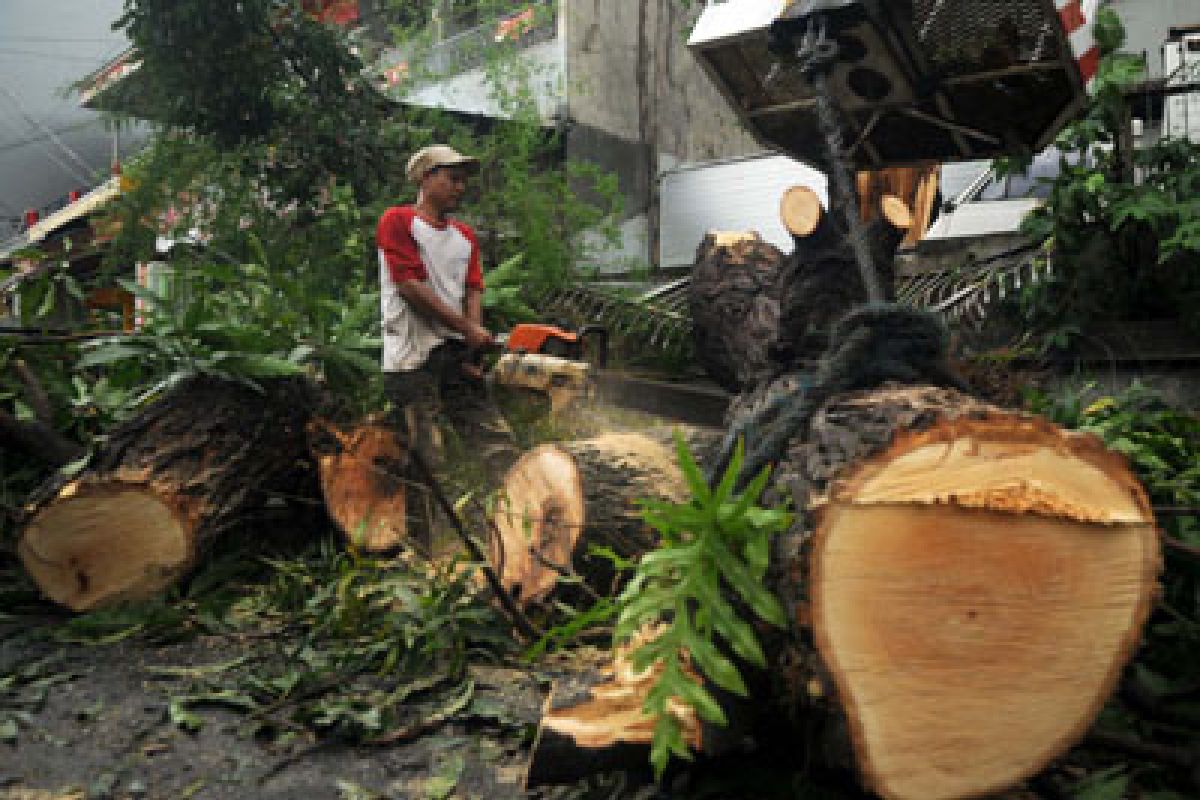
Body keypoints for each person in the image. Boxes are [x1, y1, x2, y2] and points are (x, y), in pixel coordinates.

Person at [376, 144, 520, 540]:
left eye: (463, 180)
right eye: (451, 178)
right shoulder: (399, 221)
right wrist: (465, 327)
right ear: (426, 178)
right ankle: (424, 550)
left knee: (494, 440)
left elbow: (473, 290)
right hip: (412, 358)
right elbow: (408, 286)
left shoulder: (464, 237)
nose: (460, 187)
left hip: (455, 352)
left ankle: (517, 525)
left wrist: (473, 342)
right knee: (426, 456)